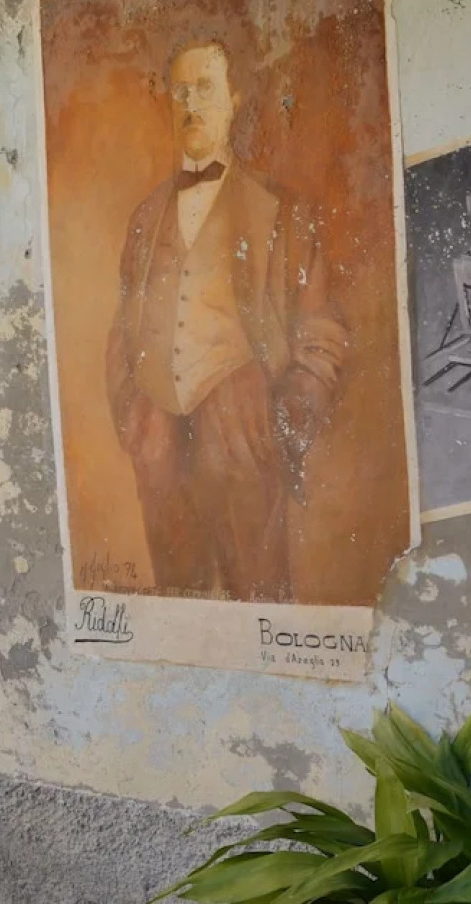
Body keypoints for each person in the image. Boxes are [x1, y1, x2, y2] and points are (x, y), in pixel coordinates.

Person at [105, 40, 347, 600]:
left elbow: (321, 334)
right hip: (159, 444)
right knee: (179, 607)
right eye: (181, 92)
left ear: (233, 101)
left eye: (206, 89)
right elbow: (123, 330)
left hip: (246, 438)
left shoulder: (282, 212)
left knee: (260, 601)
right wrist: (133, 414)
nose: (191, 104)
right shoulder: (145, 218)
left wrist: (285, 420)